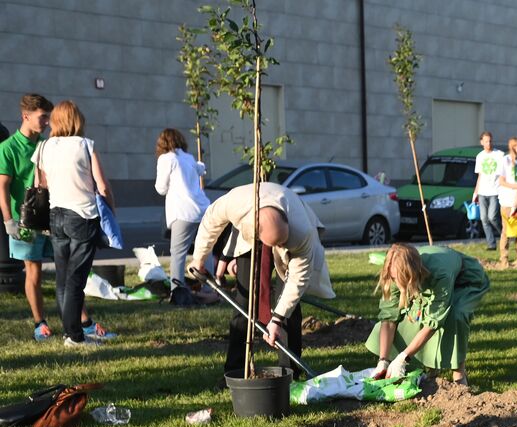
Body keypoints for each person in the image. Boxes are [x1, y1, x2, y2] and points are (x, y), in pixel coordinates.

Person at [188, 181, 335, 377]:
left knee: (289, 308)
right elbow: (210, 224)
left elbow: (298, 281)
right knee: (244, 300)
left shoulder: (302, 232)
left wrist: (277, 319)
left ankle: (289, 373)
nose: (278, 247)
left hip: (291, 234)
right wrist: (199, 261)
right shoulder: (235, 203)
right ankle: (235, 371)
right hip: (250, 232)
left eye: (281, 242)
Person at [32, 100, 116, 348]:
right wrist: (111, 209)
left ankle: (71, 332)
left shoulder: (44, 147)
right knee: (76, 279)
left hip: (56, 215)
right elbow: (102, 185)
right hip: (83, 215)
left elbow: (41, 186)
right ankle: (74, 335)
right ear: (77, 120)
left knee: (62, 278)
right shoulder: (85, 145)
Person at [367, 243, 490, 385]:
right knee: (414, 316)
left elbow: (434, 320)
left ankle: (459, 373)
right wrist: (383, 360)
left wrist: (403, 358)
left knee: (455, 316)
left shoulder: (440, 274)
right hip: (426, 277)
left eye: (401, 280)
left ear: (411, 273)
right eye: (395, 279)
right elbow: (389, 318)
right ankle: (432, 370)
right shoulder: (395, 271)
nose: (397, 282)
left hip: (466, 279)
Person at [0, 93, 54, 340]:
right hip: (26, 220)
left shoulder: (47, 144)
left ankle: (81, 319)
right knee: (34, 271)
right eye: (42, 118)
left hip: (52, 217)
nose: (46, 123)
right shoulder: (8, 148)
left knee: (66, 268)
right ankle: (39, 323)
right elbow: (2, 186)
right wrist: (8, 220)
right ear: (26, 116)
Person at [154, 128, 210, 293]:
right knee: (205, 249)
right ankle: (210, 289)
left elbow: (161, 188)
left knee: (178, 253)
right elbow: (200, 170)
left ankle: (177, 290)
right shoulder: (189, 158)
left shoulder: (166, 159)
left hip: (183, 212)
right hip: (203, 209)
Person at [494, 136, 517, 270]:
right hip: (507, 201)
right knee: (506, 230)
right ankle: (504, 258)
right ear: (514, 146)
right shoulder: (505, 161)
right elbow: (501, 181)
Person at [472, 131, 504, 250]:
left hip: (495, 191)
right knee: (484, 219)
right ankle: (491, 244)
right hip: (482, 192)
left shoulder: (499, 154)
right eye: (486, 141)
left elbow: (503, 173)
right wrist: (475, 192)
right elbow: (480, 176)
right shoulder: (480, 156)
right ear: (482, 142)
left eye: (490, 140)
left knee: (492, 217)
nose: (489, 143)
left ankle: (505, 235)